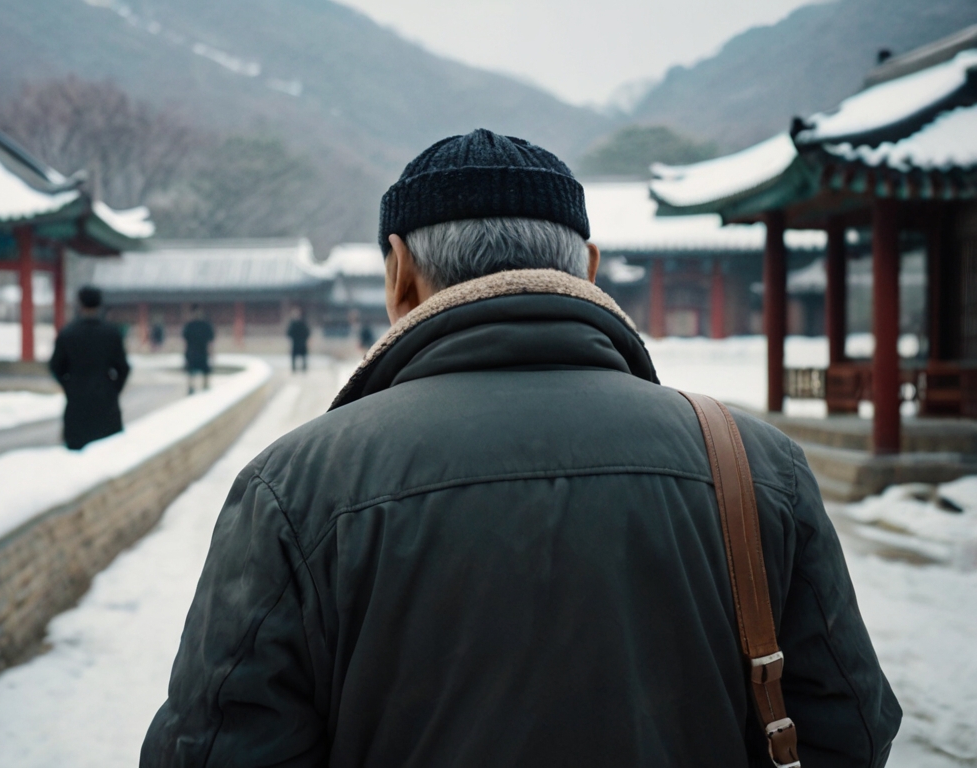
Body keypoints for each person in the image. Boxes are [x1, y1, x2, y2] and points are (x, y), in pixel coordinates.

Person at [143, 130, 899, 766]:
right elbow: (849, 730)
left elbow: (214, 749)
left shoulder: (295, 486)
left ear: (398, 272)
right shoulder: (754, 466)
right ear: (590, 270)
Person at [48, 285, 129, 450]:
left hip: (77, 402)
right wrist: (113, 389)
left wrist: (69, 385)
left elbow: (56, 366)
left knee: (76, 461)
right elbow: (123, 368)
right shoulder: (111, 333)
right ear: (100, 305)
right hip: (106, 402)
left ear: (80, 304)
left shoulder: (68, 333)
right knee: (108, 455)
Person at [181, 304, 214, 395]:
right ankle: (192, 388)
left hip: (201, 353)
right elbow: (185, 343)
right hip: (193, 354)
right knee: (192, 375)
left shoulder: (204, 326)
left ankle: (204, 388)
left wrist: (211, 355)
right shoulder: (190, 326)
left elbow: (210, 343)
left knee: (204, 375)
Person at [286, 306, 310, 372]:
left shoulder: (303, 323)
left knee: (304, 356)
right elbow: (289, 333)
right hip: (295, 342)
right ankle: (294, 369)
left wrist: (305, 339)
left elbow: (307, 332)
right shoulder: (292, 323)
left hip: (302, 342)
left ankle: (304, 368)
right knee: (294, 357)